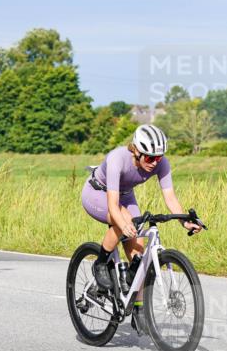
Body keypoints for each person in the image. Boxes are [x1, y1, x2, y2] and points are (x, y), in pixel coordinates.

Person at [81, 124, 202, 299]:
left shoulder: (161, 164)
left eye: (158, 158)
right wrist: (123, 224)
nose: (154, 163)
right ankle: (100, 263)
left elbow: (170, 198)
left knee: (138, 261)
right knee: (123, 220)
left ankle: (138, 312)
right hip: (98, 193)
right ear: (136, 151)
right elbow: (113, 206)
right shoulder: (117, 159)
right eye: (150, 158)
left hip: (126, 196)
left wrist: (184, 221)